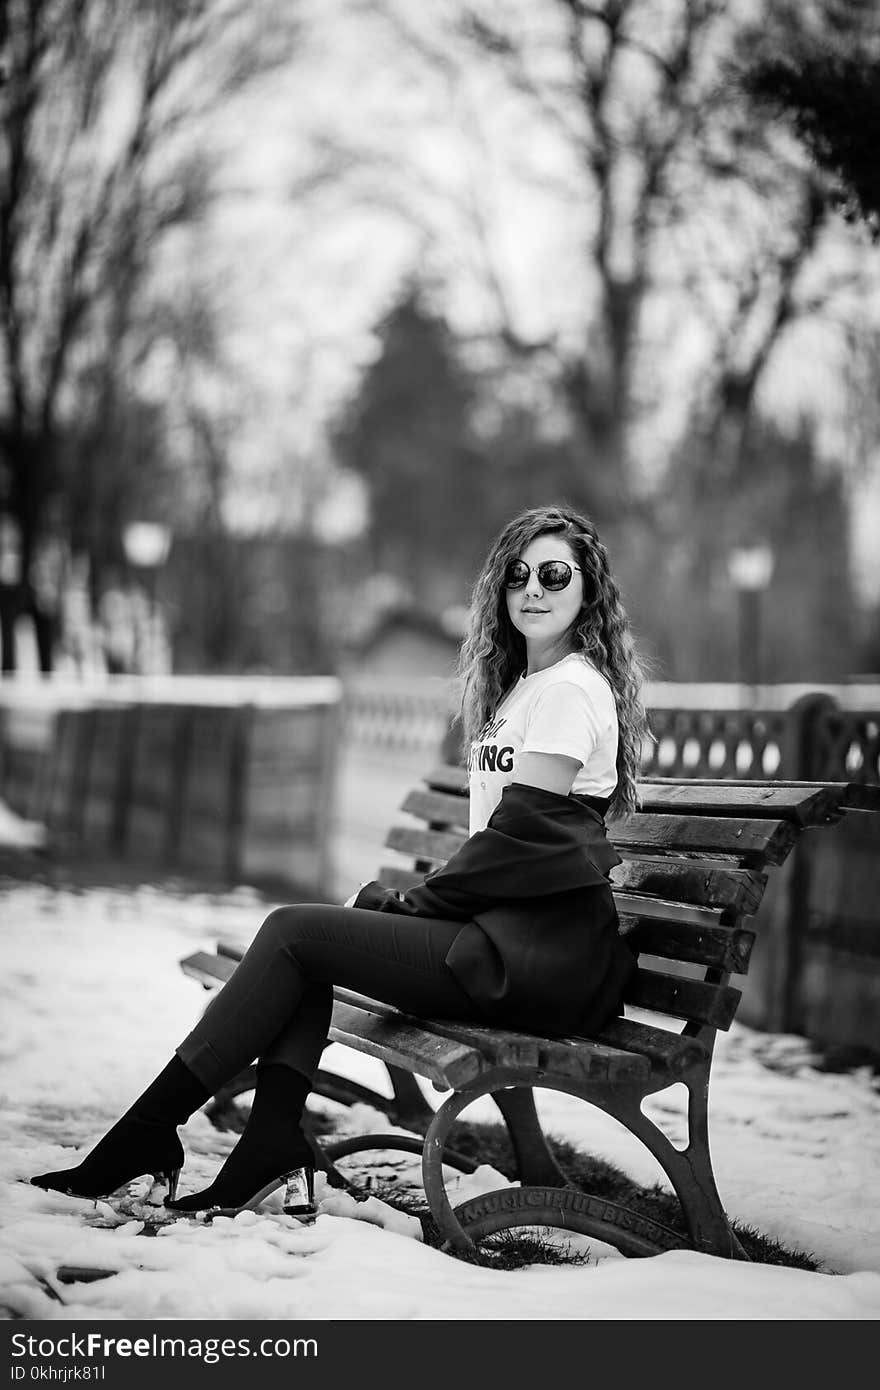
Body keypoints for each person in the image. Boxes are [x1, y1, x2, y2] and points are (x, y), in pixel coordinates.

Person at [31, 504, 650, 1222]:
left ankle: (148, 1138)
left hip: (537, 957)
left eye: (553, 575)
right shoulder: (526, 688)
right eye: (518, 575)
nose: (533, 590)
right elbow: (510, 846)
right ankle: (264, 1144)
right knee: (307, 944)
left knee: (298, 933)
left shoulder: (572, 688)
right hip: (504, 937)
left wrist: (417, 903)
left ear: (588, 591)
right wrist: (421, 901)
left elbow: (522, 842)